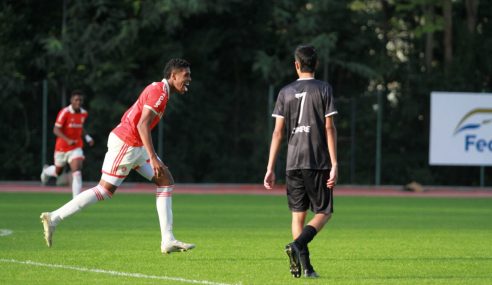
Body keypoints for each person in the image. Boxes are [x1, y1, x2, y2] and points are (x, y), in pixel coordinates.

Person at [40, 58, 195, 254]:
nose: (189, 79)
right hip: (127, 143)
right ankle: (53, 218)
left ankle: (167, 240)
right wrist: (153, 157)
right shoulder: (160, 92)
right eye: (186, 75)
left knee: (165, 180)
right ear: (173, 76)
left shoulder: (160, 90)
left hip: (135, 145)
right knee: (104, 190)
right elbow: (142, 125)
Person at [264, 45, 338, 278]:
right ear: (315, 64)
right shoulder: (324, 88)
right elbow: (329, 127)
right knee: (324, 212)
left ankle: (306, 268)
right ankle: (297, 245)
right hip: (317, 161)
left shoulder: (285, 92)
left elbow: (277, 133)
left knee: (298, 215)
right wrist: (335, 162)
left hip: (292, 162)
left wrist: (269, 167)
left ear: (296, 65)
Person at [40, 90, 95, 198]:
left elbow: (80, 126)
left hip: (76, 146)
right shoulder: (65, 112)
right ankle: (46, 171)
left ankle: (76, 200)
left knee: (77, 170)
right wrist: (67, 140)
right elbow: (56, 129)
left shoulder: (84, 113)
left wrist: (87, 137)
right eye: (76, 100)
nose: (78, 102)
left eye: (80, 100)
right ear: (71, 101)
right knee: (58, 172)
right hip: (62, 147)